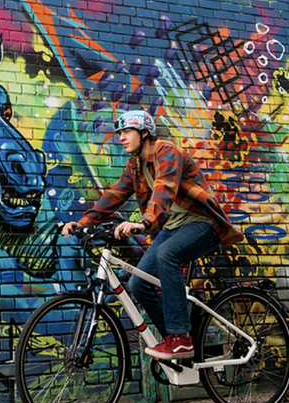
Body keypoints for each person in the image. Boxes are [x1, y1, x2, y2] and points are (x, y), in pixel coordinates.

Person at [62, 110, 244, 360]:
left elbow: (164, 190)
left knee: (166, 255)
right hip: (174, 227)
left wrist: (144, 222)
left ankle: (181, 338)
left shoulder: (166, 152)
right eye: (120, 133)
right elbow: (114, 196)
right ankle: (176, 340)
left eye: (127, 132)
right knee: (138, 282)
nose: (121, 138)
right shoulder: (135, 165)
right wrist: (82, 222)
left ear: (144, 132)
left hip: (203, 223)